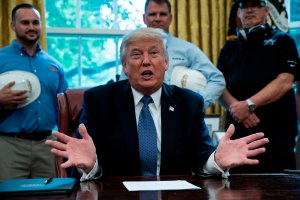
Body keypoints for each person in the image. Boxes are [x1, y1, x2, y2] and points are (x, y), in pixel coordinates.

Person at [45, 27, 268, 181]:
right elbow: (89, 160)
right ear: (124, 65)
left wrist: (216, 161)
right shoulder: (99, 101)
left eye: (154, 53)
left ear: (166, 63)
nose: (146, 61)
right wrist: (90, 165)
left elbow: (201, 157)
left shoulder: (189, 102)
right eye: (136, 55)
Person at [217, 0, 299, 173]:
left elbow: (285, 81)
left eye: (255, 5)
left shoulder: (284, 41)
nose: (249, 10)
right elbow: (218, 85)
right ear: (238, 13)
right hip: (238, 138)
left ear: (266, 10)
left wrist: (248, 105)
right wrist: (237, 109)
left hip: (276, 137)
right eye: (244, 6)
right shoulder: (229, 47)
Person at [0, 3, 68, 181]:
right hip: (10, 145)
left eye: (35, 22)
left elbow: (66, 108)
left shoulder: (54, 65)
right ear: (13, 26)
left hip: (47, 146)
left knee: (50, 195)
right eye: (25, 22)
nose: (31, 27)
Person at [120, 0, 225, 108]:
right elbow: (123, 87)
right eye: (152, 14)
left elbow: (217, 79)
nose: (157, 18)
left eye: (162, 14)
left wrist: (197, 103)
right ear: (144, 18)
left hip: (177, 117)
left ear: (170, 18)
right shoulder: (132, 50)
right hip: (141, 114)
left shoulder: (187, 49)